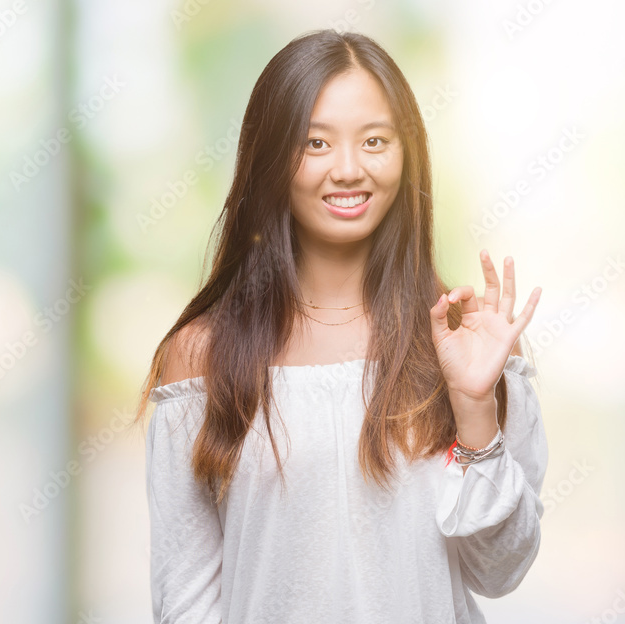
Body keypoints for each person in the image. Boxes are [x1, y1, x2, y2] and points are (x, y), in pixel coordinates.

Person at [132, 28, 546, 624]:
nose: (349, 169)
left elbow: (500, 571)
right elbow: (186, 598)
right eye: (315, 143)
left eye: (375, 140)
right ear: (269, 159)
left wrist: (475, 406)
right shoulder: (202, 354)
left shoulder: (468, 343)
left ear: (408, 155)